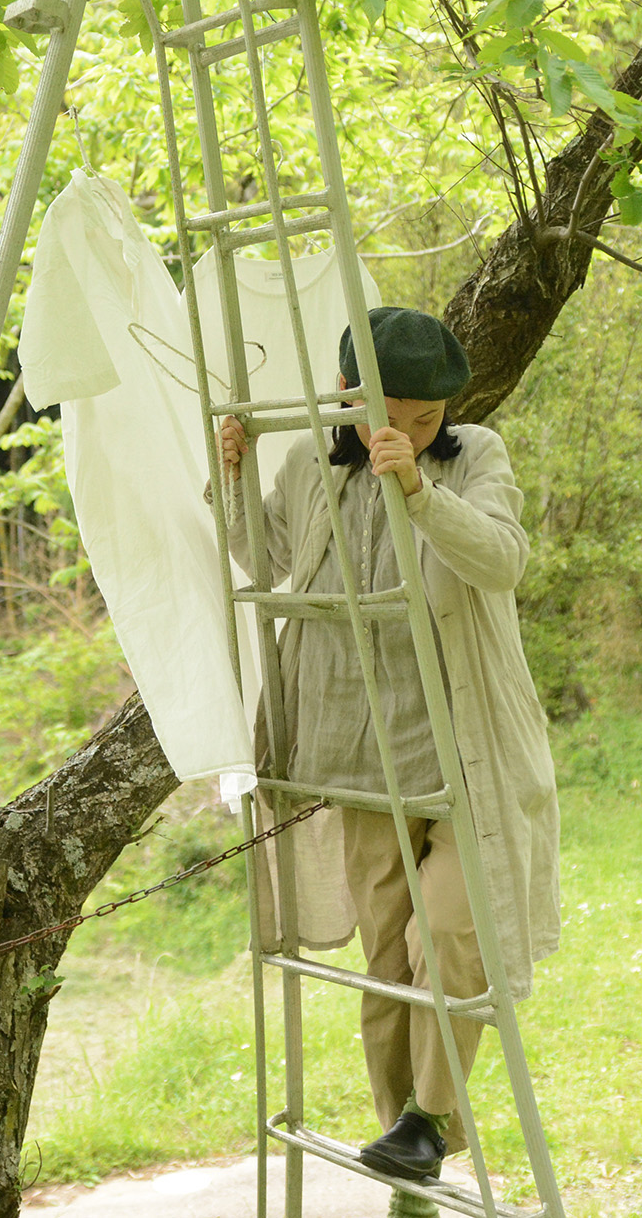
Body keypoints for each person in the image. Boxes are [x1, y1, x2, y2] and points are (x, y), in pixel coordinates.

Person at [217, 307, 560, 1203]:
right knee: (385, 962)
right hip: (353, 748)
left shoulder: (474, 454)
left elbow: (503, 559)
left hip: (457, 745)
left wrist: (420, 490)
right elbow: (270, 556)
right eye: (394, 413)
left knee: (454, 930)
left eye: (427, 416)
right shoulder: (307, 461)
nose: (412, 430)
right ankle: (401, 1141)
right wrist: (231, 477)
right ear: (347, 394)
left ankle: (428, 1122)